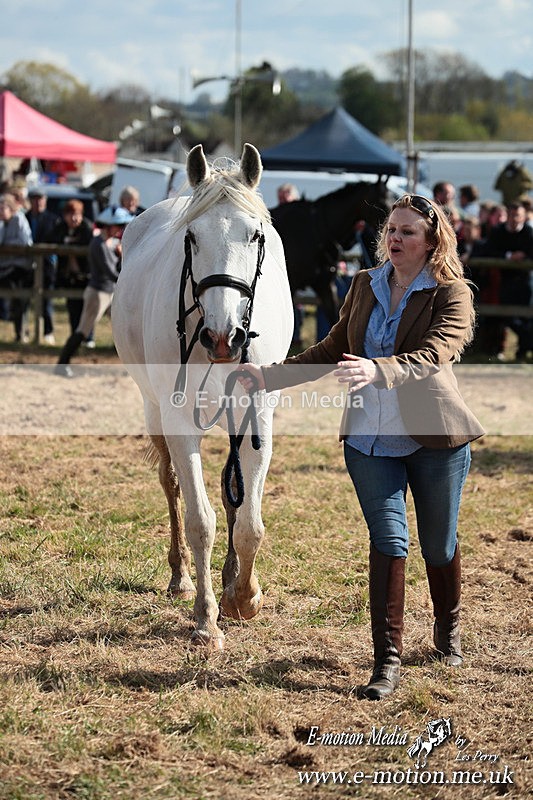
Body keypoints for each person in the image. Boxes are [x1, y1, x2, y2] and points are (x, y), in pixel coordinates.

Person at [238, 194, 484, 700]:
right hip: (370, 440)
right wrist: (267, 376)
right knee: (390, 542)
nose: (395, 238)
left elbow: (436, 352)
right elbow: (333, 349)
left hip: (435, 438)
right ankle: (386, 661)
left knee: (438, 546)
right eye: (391, 229)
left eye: (407, 232)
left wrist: (378, 369)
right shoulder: (364, 284)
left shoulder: (451, 293)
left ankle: (448, 630)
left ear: (431, 241)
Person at [55, 206, 134, 377]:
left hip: (111, 292)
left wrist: (120, 256)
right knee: (83, 330)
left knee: (125, 328)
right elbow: (110, 272)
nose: (121, 230)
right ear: (108, 226)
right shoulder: (98, 244)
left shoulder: (112, 243)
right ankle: (62, 364)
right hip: (98, 293)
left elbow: (116, 270)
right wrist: (126, 272)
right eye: (118, 226)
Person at [481, 201, 533, 360]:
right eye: (511, 215)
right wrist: (509, 256)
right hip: (504, 280)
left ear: (523, 217)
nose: (514, 219)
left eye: (517, 215)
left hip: (524, 280)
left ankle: (523, 351)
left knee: (525, 317)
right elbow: (489, 251)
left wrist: (524, 256)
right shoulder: (498, 232)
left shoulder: (529, 233)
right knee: (507, 316)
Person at [46, 199, 94, 341]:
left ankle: (89, 338)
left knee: (87, 308)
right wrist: (65, 241)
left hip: (86, 274)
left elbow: (90, 242)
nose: (74, 218)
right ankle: (75, 337)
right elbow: (51, 239)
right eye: (71, 214)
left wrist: (72, 242)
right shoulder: (60, 227)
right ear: (65, 215)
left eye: (77, 214)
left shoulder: (87, 227)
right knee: (72, 307)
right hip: (69, 276)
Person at [26, 188, 59, 344]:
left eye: (40, 198)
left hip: (47, 267)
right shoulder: (24, 218)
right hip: (26, 265)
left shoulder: (53, 219)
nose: (38, 202)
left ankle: (48, 331)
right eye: (35, 199)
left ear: (45, 200)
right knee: (24, 301)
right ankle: (23, 331)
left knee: (46, 302)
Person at [0, 193, 33, 342]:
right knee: (14, 301)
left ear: (11, 208)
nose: (0, 212)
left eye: (2, 208)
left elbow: (25, 242)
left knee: (19, 301)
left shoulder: (19, 219)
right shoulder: (3, 223)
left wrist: (8, 244)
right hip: (5, 267)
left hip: (20, 267)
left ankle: (21, 333)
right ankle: (19, 332)